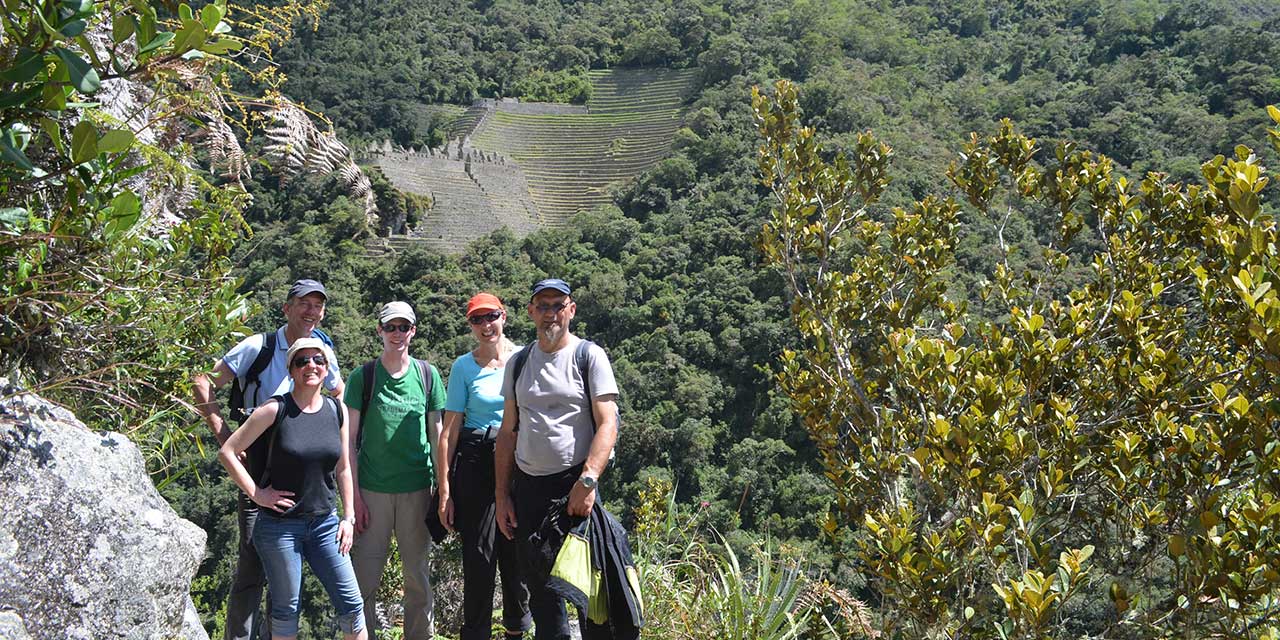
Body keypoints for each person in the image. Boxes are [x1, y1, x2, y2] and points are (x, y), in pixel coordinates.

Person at [194, 279, 344, 640]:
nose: (311, 312)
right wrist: (225, 433)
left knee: (285, 576)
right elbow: (203, 381)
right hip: (259, 473)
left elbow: (337, 391)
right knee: (251, 568)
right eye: (303, 304)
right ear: (286, 308)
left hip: (307, 484)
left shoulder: (322, 349)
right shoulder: (258, 347)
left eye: (317, 305)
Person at [495, 278, 624, 640]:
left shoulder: (588, 356)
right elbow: (508, 432)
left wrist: (587, 482)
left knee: (588, 590)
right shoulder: (518, 363)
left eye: (557, 305)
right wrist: (502, 494)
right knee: (542, 591)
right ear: (532, 311)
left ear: (571, 310)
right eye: (543, 306)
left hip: (574, 490)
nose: (550, 313)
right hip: (529, 490)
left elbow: (607, 422)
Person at [217, 338, 365, 640]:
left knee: (352, 604)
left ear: (326, 370)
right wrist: (258, 495)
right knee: (286, 608)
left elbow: (344, 467)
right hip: (279, 528)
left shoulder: (337, 410)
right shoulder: (274, 410)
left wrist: (348, 517)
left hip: (325, 523)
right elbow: (228, 453)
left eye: (318, 361)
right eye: (302, 361)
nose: (310, 366)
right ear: (291, 369)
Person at [344, 301, 446, 640]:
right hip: (372, 491)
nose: (397, 334)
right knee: (364, 577)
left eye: (404, 327)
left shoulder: (428, 376)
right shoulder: (364, 377)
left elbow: (437, 437)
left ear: (413, 331)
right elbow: (349, 441)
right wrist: (353, 497)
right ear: (380, 331)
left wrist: (441, 489)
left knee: (417, 577)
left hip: (418, 488)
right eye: (391, 327)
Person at [437, 293, 532, 640]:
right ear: (471, 326)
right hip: (476, 460)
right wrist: (444, 490)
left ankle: (516, 631)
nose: (485, 325)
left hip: (519, 458)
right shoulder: (464, 367)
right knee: (479, 556)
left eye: (491, 316)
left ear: (504, 317)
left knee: (515, 555)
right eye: (477, 320)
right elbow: (449, 430)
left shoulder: (524, 358)